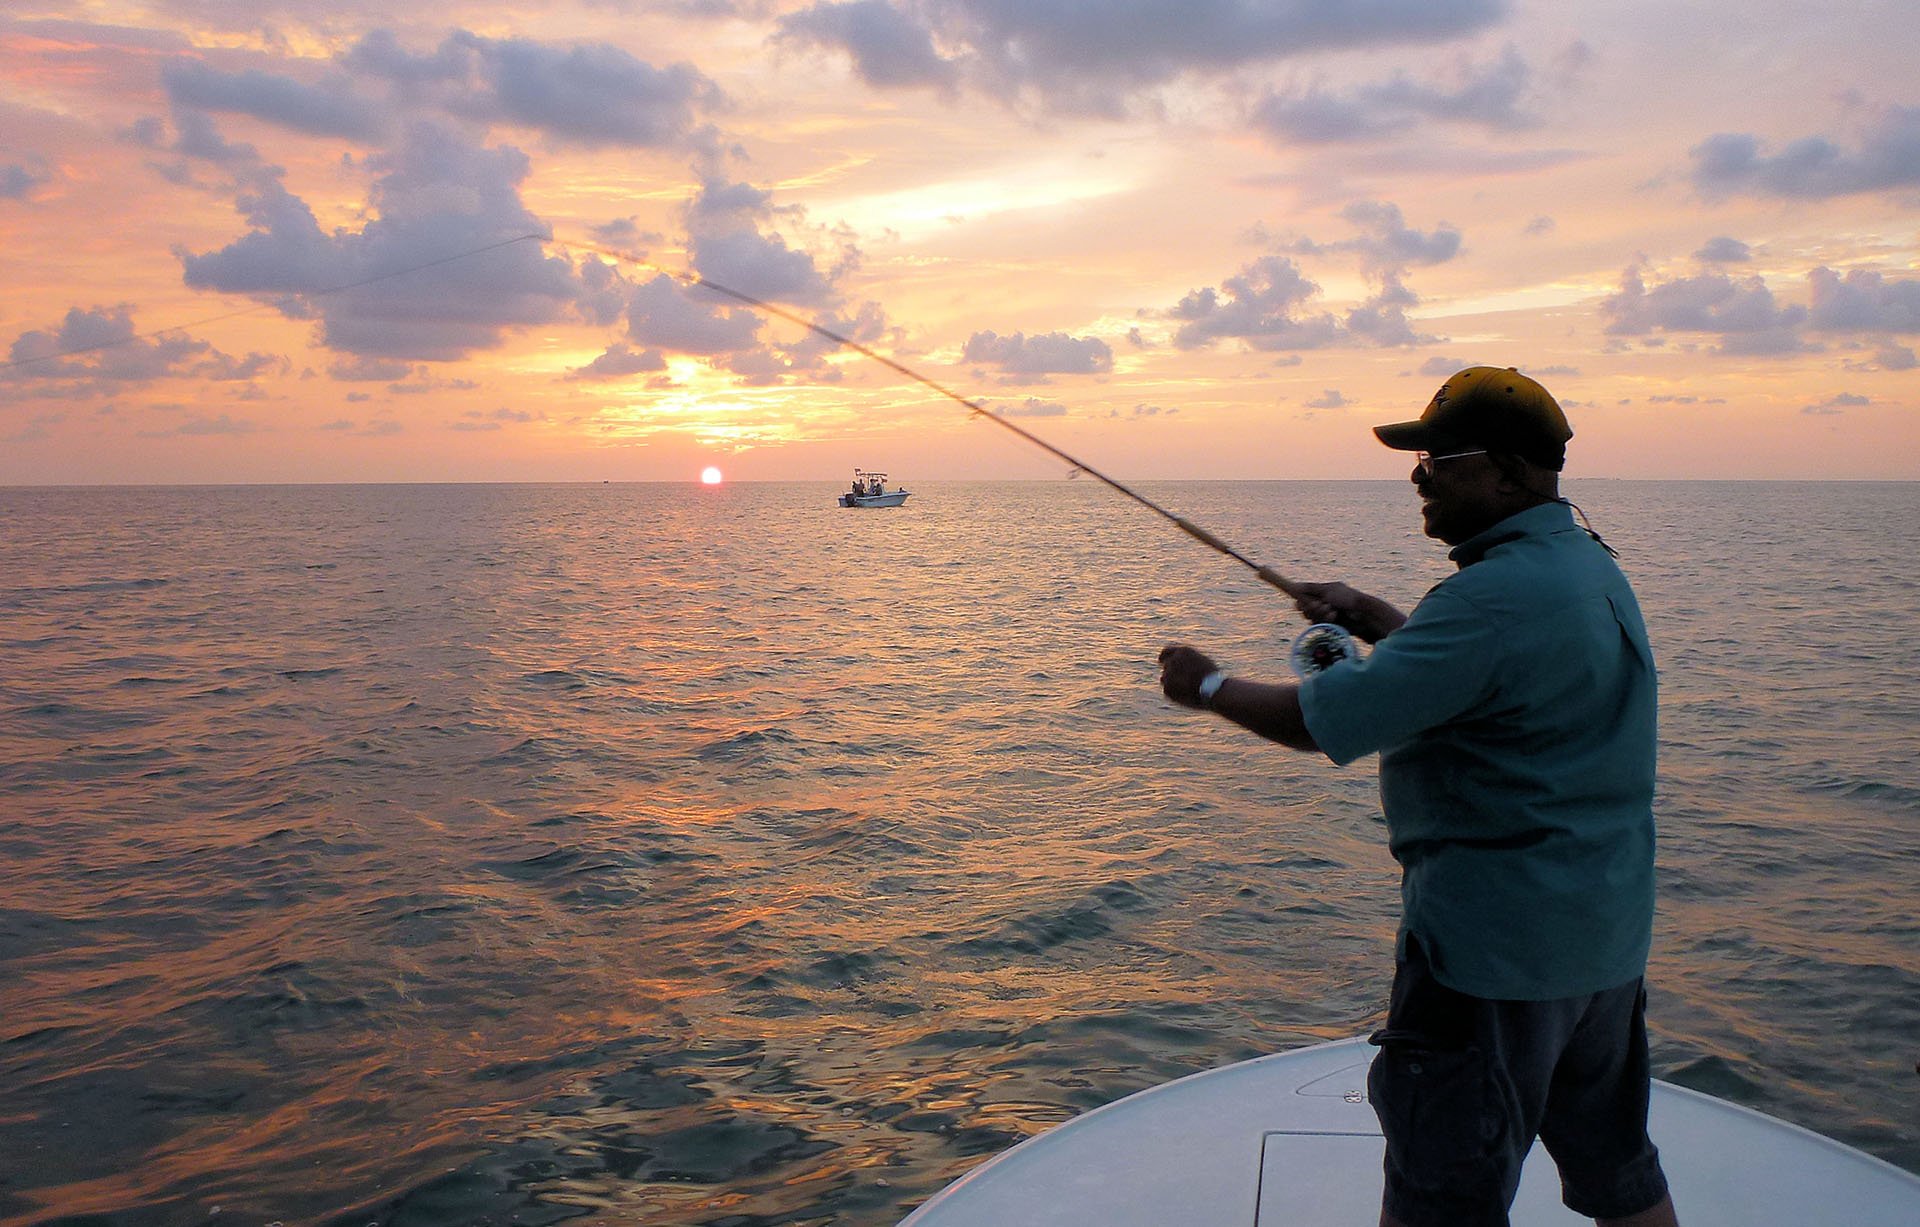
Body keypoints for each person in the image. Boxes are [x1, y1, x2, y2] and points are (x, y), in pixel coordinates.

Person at [1158, 367, 1679, 1227]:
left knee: (1441, 1202)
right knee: (1620, 1173)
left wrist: (1206, 685)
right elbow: (1484, 680)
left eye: (1440, 458)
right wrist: (1367, 612)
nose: (1420, 476)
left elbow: (1324, 721)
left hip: (1490, 967)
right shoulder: (1584, 566)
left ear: (1509, 473)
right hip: (1602, 951)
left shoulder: (1491, 597)